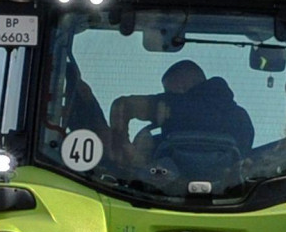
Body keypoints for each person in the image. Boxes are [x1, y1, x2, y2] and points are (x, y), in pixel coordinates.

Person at [107, 59, 255, 159]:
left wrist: (123, 149)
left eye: (168, 91)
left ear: (180, 87)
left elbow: (122, 106)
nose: (166, 95)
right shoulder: (241, 118)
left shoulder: (173, 107)